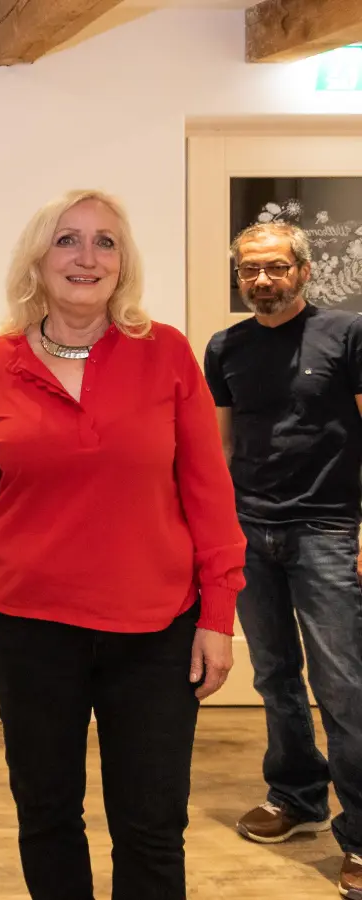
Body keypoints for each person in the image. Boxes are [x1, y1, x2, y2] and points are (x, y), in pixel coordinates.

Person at [0, 189, 244, 900]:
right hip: (32, 627)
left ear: (124, 262)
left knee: (151, 825)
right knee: (47, 815)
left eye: (106, 241)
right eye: (67, 240)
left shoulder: (164, 352)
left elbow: (208, 492)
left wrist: (218, 616)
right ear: (37, 261)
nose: (87, 256)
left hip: (156, 630)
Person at [205, 220, 362, 897]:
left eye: (274, 267)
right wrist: (215, 531)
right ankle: (296, 795)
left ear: (302, 269)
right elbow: (221, 449)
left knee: (345, 689)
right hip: (250, 531)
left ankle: (359, 836)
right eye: (249, 270)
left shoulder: (346, 335)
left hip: (328, 530)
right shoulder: (226, 347)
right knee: (274, 675)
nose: (261, 281)